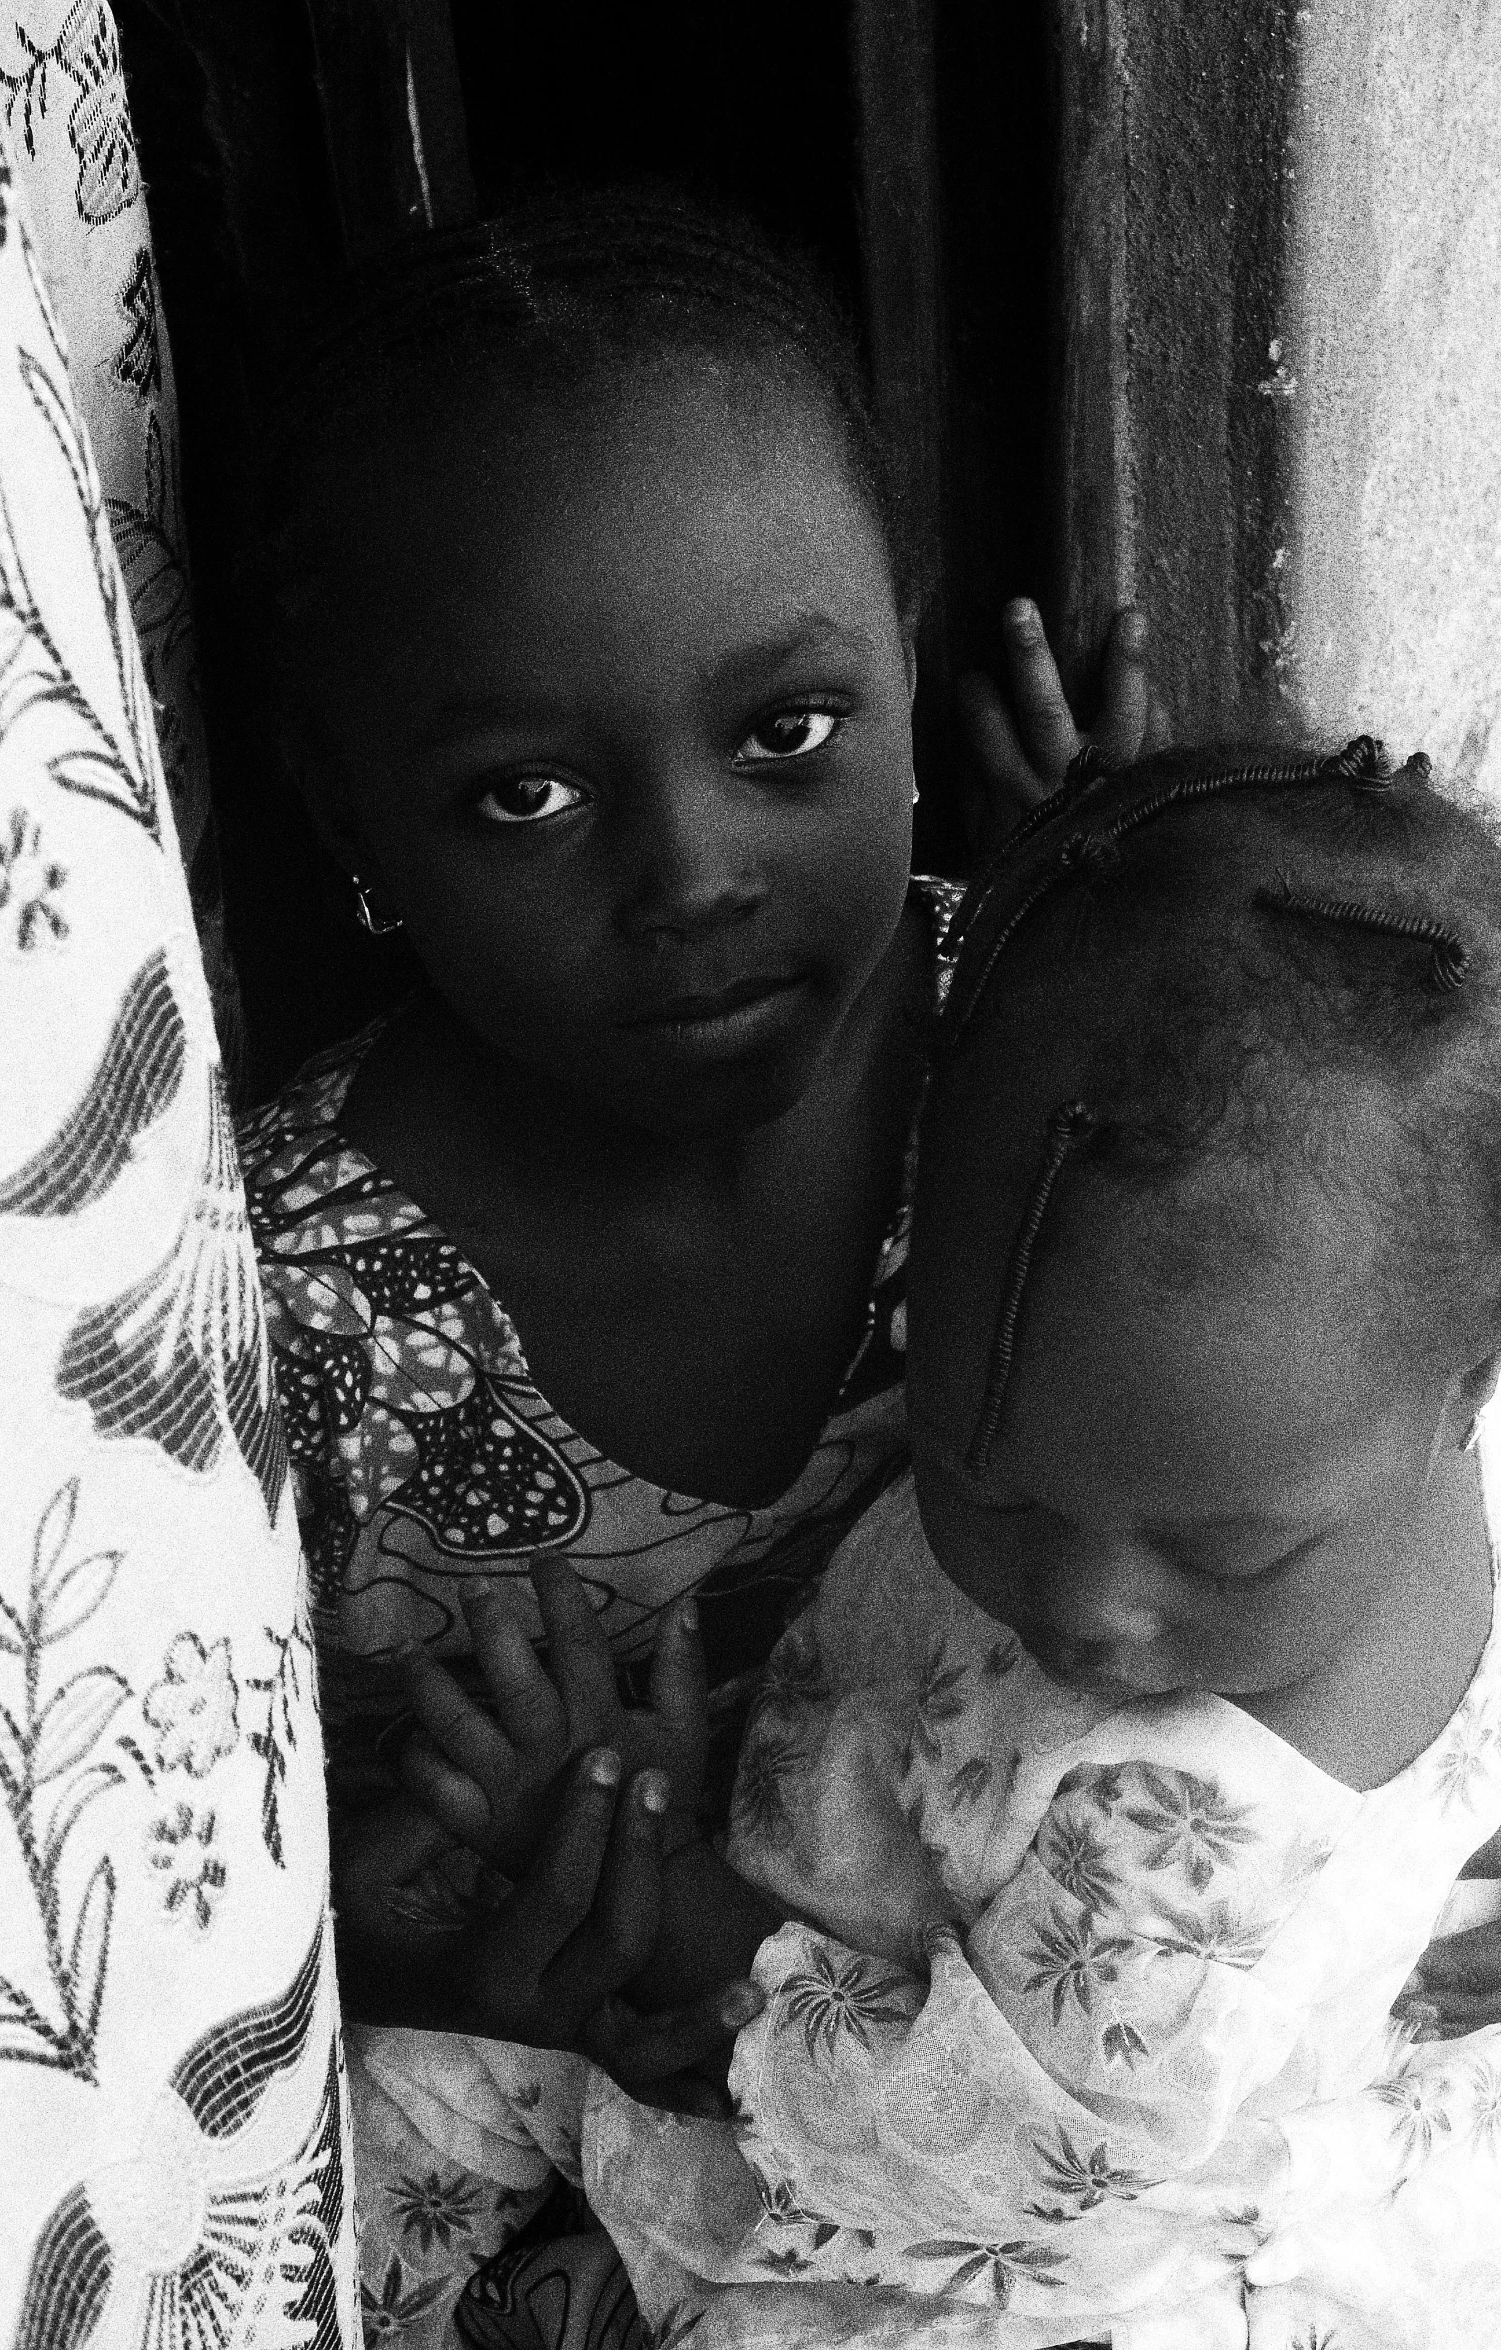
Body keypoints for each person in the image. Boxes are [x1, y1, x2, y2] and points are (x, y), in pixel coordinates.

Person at [235, 184, 1155, 2336]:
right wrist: (459, 1947)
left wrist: (1135, 975)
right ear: (348, 813)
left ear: (905, 654)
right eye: (526, 793)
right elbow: (229, 1906)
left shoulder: (1049, 1079)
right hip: (568, 2175)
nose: (697, 877)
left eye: (786, 734)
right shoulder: (280, 1300)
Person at [405, 735, 1501, 2347]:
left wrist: (632, 1858)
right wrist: (1076, 872)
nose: (1092, 1613)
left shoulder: (1178, 1874)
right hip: (864, 1909)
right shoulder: (1334, 1405)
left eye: (1221, 1555)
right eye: (992, 1486)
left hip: (993, 2207)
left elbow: (961, 2142)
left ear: (1463, 1389)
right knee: (403, 2071)